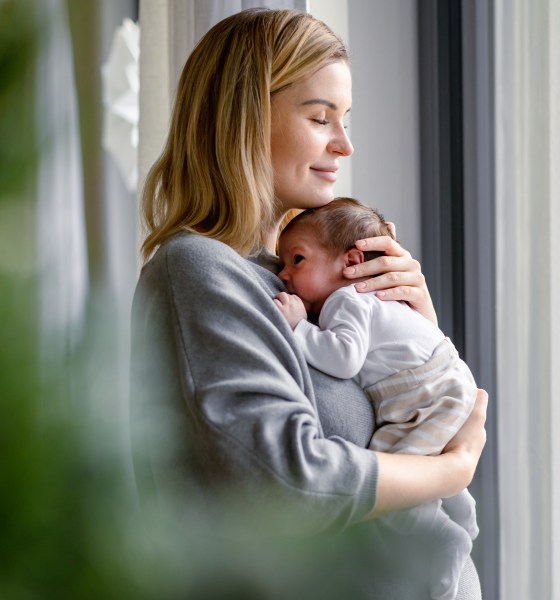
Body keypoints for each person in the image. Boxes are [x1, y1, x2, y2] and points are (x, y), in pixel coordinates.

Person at [129, 9, 487, 599]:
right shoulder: (200, 270)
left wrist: (417, 345)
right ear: (242, 121)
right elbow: (287, 482)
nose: (344, 145)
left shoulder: (295, 283)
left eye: (345, 120)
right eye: (321, 117)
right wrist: (452, 469)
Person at [273, 197, 479, 600]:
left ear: (351, 261)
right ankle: (462, 517)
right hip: (439, 386)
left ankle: (443, 542)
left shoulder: (347, 299)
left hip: (425, 394)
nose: (284, 275)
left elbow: (344, 358)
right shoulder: (367, 300)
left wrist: (298, 327)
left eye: (297, 260)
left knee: (395, 488)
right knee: (429, 466)